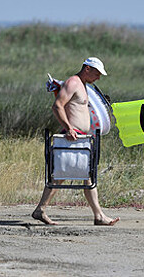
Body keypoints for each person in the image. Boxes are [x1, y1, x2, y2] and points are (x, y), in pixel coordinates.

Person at [32, 57, 119, 226]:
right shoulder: (73, 82)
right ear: (87, 68)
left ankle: (98, 215)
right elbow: (57, 106)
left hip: (80, 138)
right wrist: (69, 127)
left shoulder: (83, 85)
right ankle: (41, 209)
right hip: (72, 136)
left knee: (85, 176)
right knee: (62, 174)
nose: (98, 78)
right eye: (96, 73)